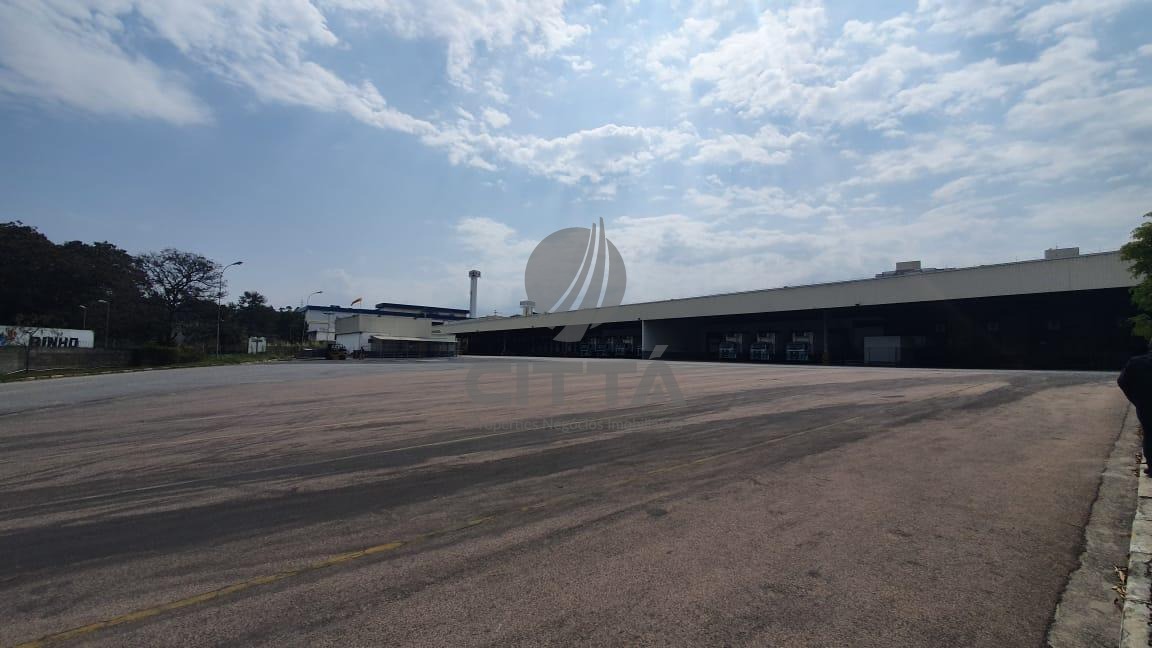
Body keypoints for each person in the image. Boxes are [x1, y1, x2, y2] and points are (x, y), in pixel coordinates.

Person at [1118, 344, 1152, 476]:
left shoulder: (1136, 363)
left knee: (1149, 434)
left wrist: (1135, 399)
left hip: (1146, 404)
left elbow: (1122, 381)